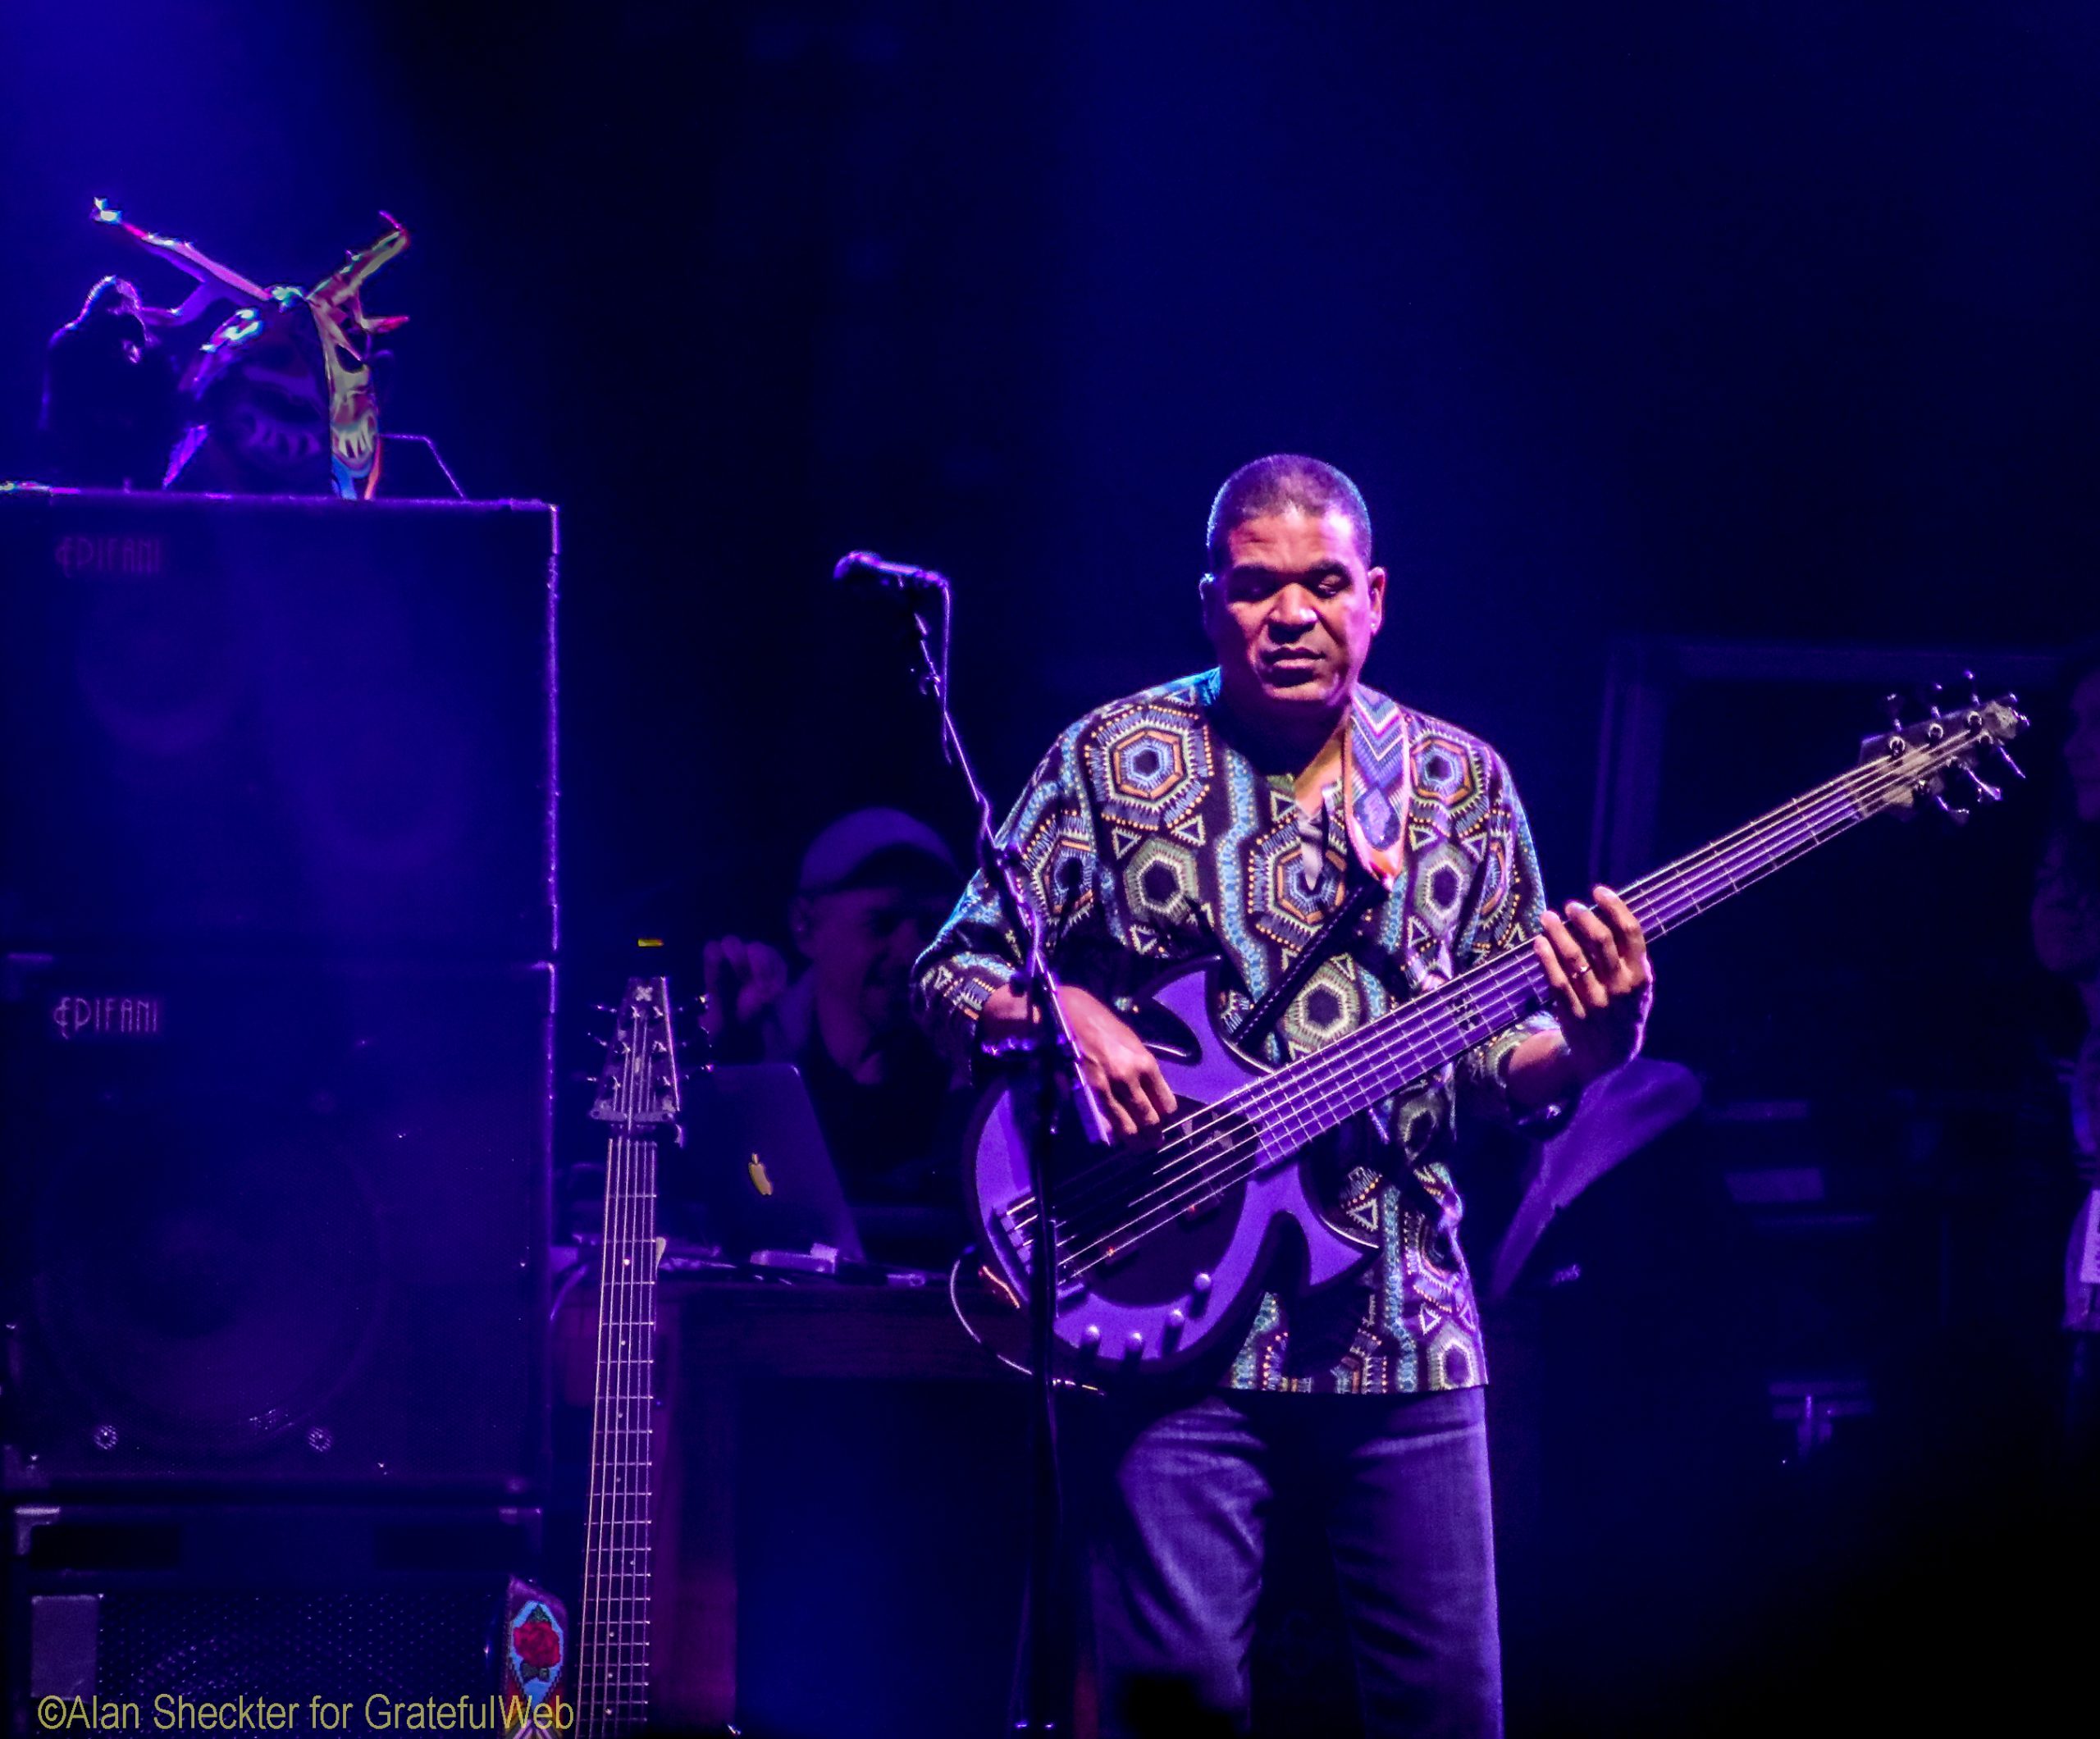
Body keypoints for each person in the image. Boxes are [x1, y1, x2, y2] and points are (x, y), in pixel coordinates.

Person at [912, 455, 1653, 1737]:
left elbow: (1496, 1066)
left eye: (1324, 584)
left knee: (1450, 1712)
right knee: (1176, 1712)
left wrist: (1590, 1052)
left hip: (1404, 1314)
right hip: (1165, 1319)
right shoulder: (1110, 759)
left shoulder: (1460, 784)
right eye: (1258, 587)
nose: (1292, 614)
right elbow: (951, 973)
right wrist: (1068, 1011)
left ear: (1376, 598)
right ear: (1211, 604)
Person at [702, 807, 970, 1260]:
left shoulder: (973, 1066)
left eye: (931, 927)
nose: (911, 951)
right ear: (805, 926)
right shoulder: (765, 1054)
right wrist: (728, 1056)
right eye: (882, 923)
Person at [2031, 643, 2100, 1467]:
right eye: (2074, 725)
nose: (2075, 745)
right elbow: (2055, 940)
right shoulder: (2076, 857)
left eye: (2097, 726)